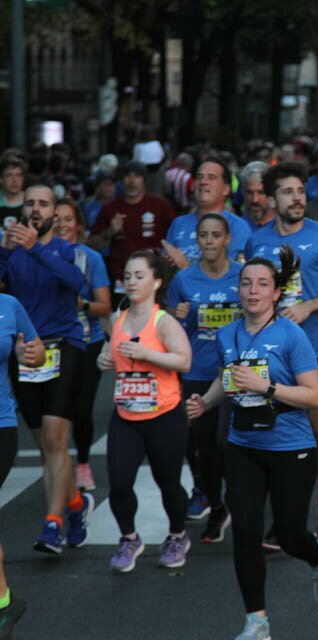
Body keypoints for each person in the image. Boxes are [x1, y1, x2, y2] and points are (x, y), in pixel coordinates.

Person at [185, 245, 318, 640]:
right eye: (246, 283)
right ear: (238, 290)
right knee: (247, 533)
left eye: (263, 284)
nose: (253, 291)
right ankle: (256, 623)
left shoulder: (292, 335)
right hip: (243, 445)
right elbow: (228, 378)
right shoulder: (228, 333)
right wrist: (206, 401)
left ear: (276, 294)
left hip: (292, 447)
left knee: (289, 534)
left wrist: (268, 388)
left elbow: (315, 394)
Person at [245, 162, 318, 546]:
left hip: (317, 350)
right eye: (288, 192)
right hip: (269, 352)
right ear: (271, 198)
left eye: (300, 192)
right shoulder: (256, 241)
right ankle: (285, 518)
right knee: (276, 433)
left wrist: (310, 306)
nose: (297, 199)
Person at [1, 184, 93, 553]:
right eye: (30, 203)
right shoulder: (12, 249)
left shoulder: (66, 249)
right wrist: (7, 252)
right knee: (44, 444)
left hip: (63, 347)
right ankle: (74, 503)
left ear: (56, 212)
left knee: (56, 438)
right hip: (24, 353)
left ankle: (52, 524)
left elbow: (76, 282)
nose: (36, 209)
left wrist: (34, 248)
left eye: (43, 203)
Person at [97, 250, 193, 571]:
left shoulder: (163, 321)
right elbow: (108, 352)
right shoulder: (117, 319)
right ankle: (129, 538)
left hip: (165, 415)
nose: (132, 282)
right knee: (120, 483)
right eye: (128, 276)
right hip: (126, 416)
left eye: (139, 276)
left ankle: (178, 535)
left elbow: (183, 360)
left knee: (168, 483)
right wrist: (103, 359)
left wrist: (146, 353)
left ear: (156, 282)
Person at [167, 212, 243, 540]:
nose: (209, 242)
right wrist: (175, 314)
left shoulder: (243, 277)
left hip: (236, 372)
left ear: (227, 239)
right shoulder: (184, 280)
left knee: (227, 443)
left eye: (215, 235)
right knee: (204, 449)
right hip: (197, 371)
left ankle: (239, 500)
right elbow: (166, 323)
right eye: (203, 236)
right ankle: (216, 506)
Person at [53, 198, 112, 492]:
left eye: (67, 219)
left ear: (78, 223)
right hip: (53, 342)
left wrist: (81, 303)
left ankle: (84, 463)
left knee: (81, 408)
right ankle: (56, 459)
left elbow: (105, 306)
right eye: (56, 219)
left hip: (88, 341)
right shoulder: (38, 255)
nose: (61, 225)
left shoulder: (91, 258)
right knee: (55, 410)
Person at [0, 291, 44, 640]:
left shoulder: (10, 306)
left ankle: (3, 605)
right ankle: (4, 603)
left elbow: (38, 352)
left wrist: (28, 355)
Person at [89, 161, 175, 307]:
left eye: (137, 176)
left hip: (153, 280)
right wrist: (109, 232)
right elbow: (91, 245)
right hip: (122, 280)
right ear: (122, 181)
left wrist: (166, 257)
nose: (132, 181)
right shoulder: (111, 209)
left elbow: (175, 239)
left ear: (144, 180)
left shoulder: (160, 205)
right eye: (127, 176)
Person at [162, 157, 252, 269]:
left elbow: (231, 276)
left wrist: (184, 265)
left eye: (211, 177)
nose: (203, 182)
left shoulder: (238, 227)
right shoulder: (178, 224)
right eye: (199, 177)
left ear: (226, 189)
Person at [240, 162, 276, 229]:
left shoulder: (285, 227)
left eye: (261, 193)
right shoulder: (235, 228)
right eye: (249, 193)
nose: (255, 200)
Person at [0, 154, 27, 229]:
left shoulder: (30, 201)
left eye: (19, 175)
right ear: (1, 179)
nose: (14, 180)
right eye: (9, 175)